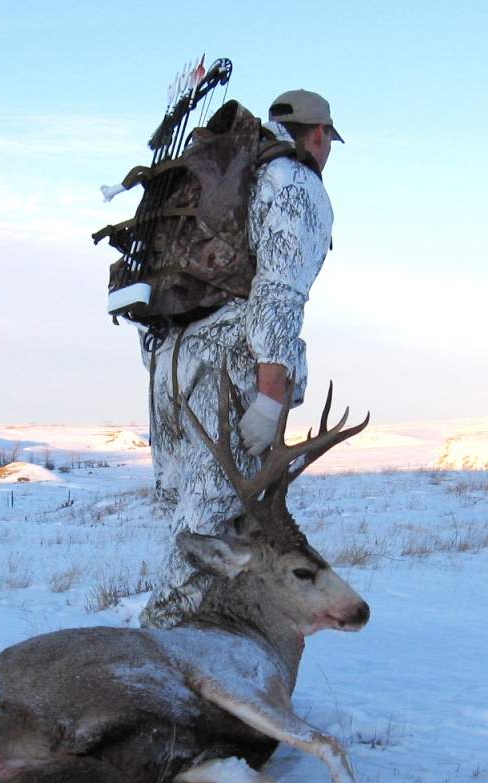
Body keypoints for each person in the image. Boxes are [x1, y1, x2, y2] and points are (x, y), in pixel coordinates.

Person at [139, 89, 344, 628]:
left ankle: (173, 648)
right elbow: (279, 289)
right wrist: (271, 393)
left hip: (172, 358)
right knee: (217, 528)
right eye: (329, 142)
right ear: (319, 134)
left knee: (180, 517)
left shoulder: (224, 174)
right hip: (234, 363)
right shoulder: (292, 181)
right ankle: (178, 667)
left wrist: (169, 370)